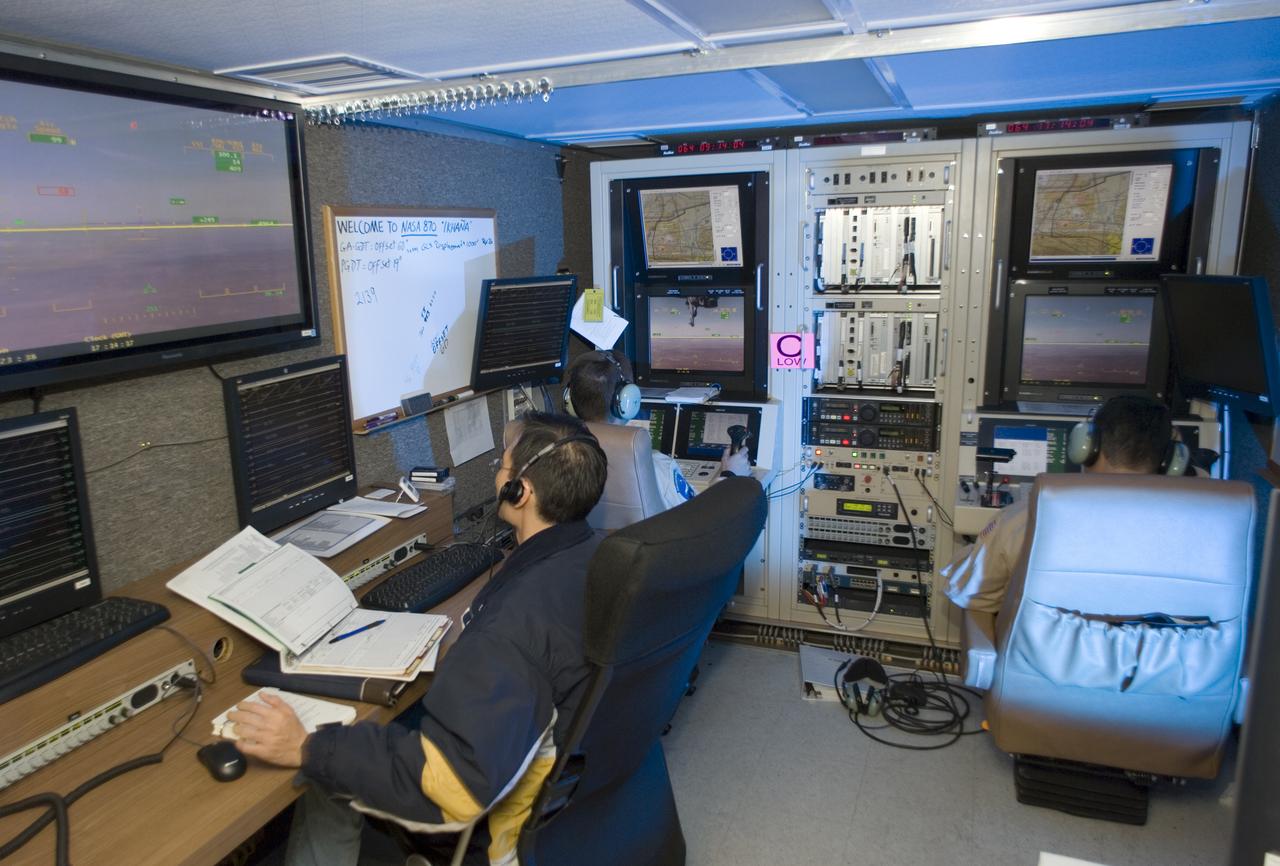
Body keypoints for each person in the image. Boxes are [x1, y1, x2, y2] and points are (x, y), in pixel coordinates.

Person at [228, 411, 608, 866]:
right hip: (561, 781)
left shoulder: (512, 629)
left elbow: (453, 787)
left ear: (519, 492)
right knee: (377, 725)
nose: (498, 475)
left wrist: (308, 747)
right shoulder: (595, 556)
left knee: (327, 765)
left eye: (501, 467)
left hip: (490, 822)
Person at [943, 394, 1184, 615]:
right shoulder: (1194, 530)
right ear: (1172, 461)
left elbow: (974, 595)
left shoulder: (1025, 518)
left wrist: (975, 552)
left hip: (1045, 660)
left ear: (1086, 447)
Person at [563, 349, 750, 511]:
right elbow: (702, 517)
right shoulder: (653, 467)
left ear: (569, 399)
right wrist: (730, 476)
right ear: (629, 400)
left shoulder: (559, 460)